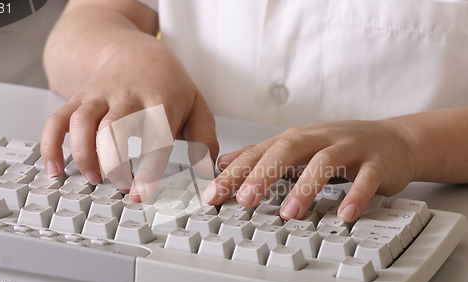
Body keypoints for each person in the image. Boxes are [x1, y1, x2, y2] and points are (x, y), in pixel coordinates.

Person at [41, 0, 468, 223]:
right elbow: (89, 16)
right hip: (193, 190)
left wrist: (410, 142)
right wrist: (127, 54)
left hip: (416, 204)